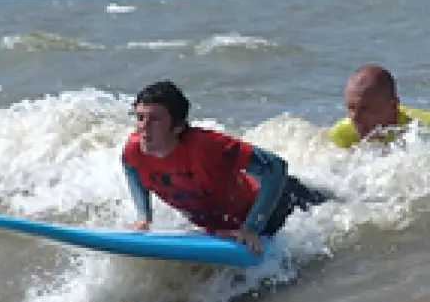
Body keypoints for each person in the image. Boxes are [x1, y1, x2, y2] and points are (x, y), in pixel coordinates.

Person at [122, 80, 331, 255]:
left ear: (178, 126)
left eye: (154, 119)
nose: (143, 127)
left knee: (341, 211)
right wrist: (144, 217)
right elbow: (131, 169)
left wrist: (251, 228)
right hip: (224, 225)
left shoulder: (207, 147)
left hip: (277, 207)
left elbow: (276, 168)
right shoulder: (133, 151)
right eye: (140, 117)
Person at [329, 64, 430, 148]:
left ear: (393, 105)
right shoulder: (342, 135)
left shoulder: (423, 129)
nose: (355, 117)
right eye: (351, 108)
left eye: (365, 108)